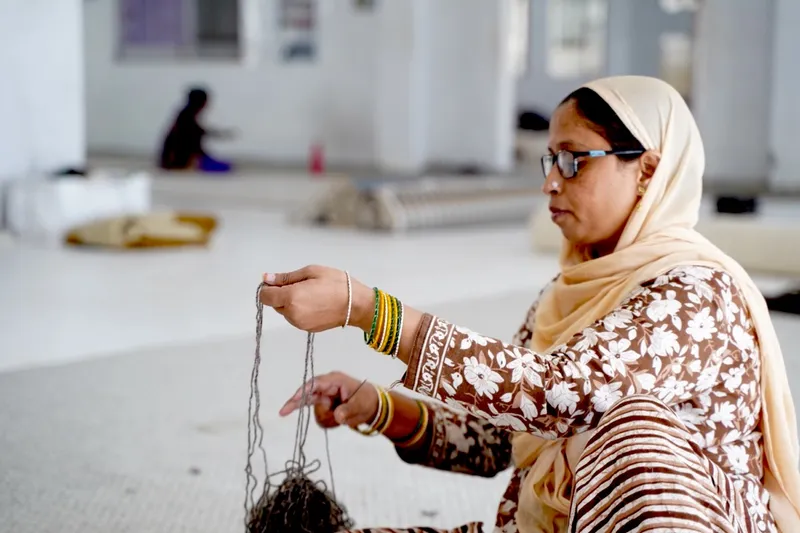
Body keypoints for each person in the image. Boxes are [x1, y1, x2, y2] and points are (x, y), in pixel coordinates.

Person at [258, 76, 800, 533]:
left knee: (632, 430)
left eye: (573, 160)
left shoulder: (698, 294)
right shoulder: (568, 293)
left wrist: (371, 311)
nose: (549, 183)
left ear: (648, 171)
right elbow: (497, 439)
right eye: (550, 159)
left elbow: (558, 395)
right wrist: (377, 406)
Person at [159, 87, 234, 173]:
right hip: (175, 161)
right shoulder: (186, 118)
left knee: (225, 166)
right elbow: (192, 140)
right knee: (225, 168)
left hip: (173, 160)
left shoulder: (186, 116)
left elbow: (200, 132)